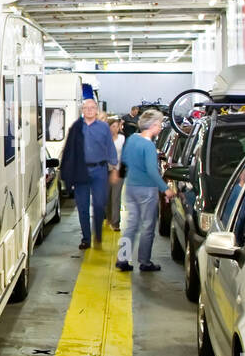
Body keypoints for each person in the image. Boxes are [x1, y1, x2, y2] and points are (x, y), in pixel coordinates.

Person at [116, 109, 172, 272]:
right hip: (146, 190)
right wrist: (165, 189)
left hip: (131, 187)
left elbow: (125, 158)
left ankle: (123, 258)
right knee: (148, 227)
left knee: (131, 225)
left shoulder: (133, 138)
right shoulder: (148, 146)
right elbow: (152, 171)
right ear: (153, 125)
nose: (161, 127)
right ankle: (145, 261)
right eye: (160, 124)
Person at [59, 98, 119, 250]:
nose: (89, 110)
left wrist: (115, 167)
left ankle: (97, 233)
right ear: (82, 110)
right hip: (81, 171)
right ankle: (86, 238)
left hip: (99, 170)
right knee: (83, 206)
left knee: (99, 204)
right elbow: (69, 150)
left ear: (97, 110)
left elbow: (110, 147)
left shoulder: (104, 127)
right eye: (86, 108)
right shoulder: (76, 128)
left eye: (92, 107)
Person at [106, 117, 125, 230]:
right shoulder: (104, 139)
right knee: (108, 197)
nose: (115, 129)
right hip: (106, 171)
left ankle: (116, 222)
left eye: (117, 126)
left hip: (119, 172)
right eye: (112, 126)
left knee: (116, 197)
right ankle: (109, 217)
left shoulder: (122, 139)